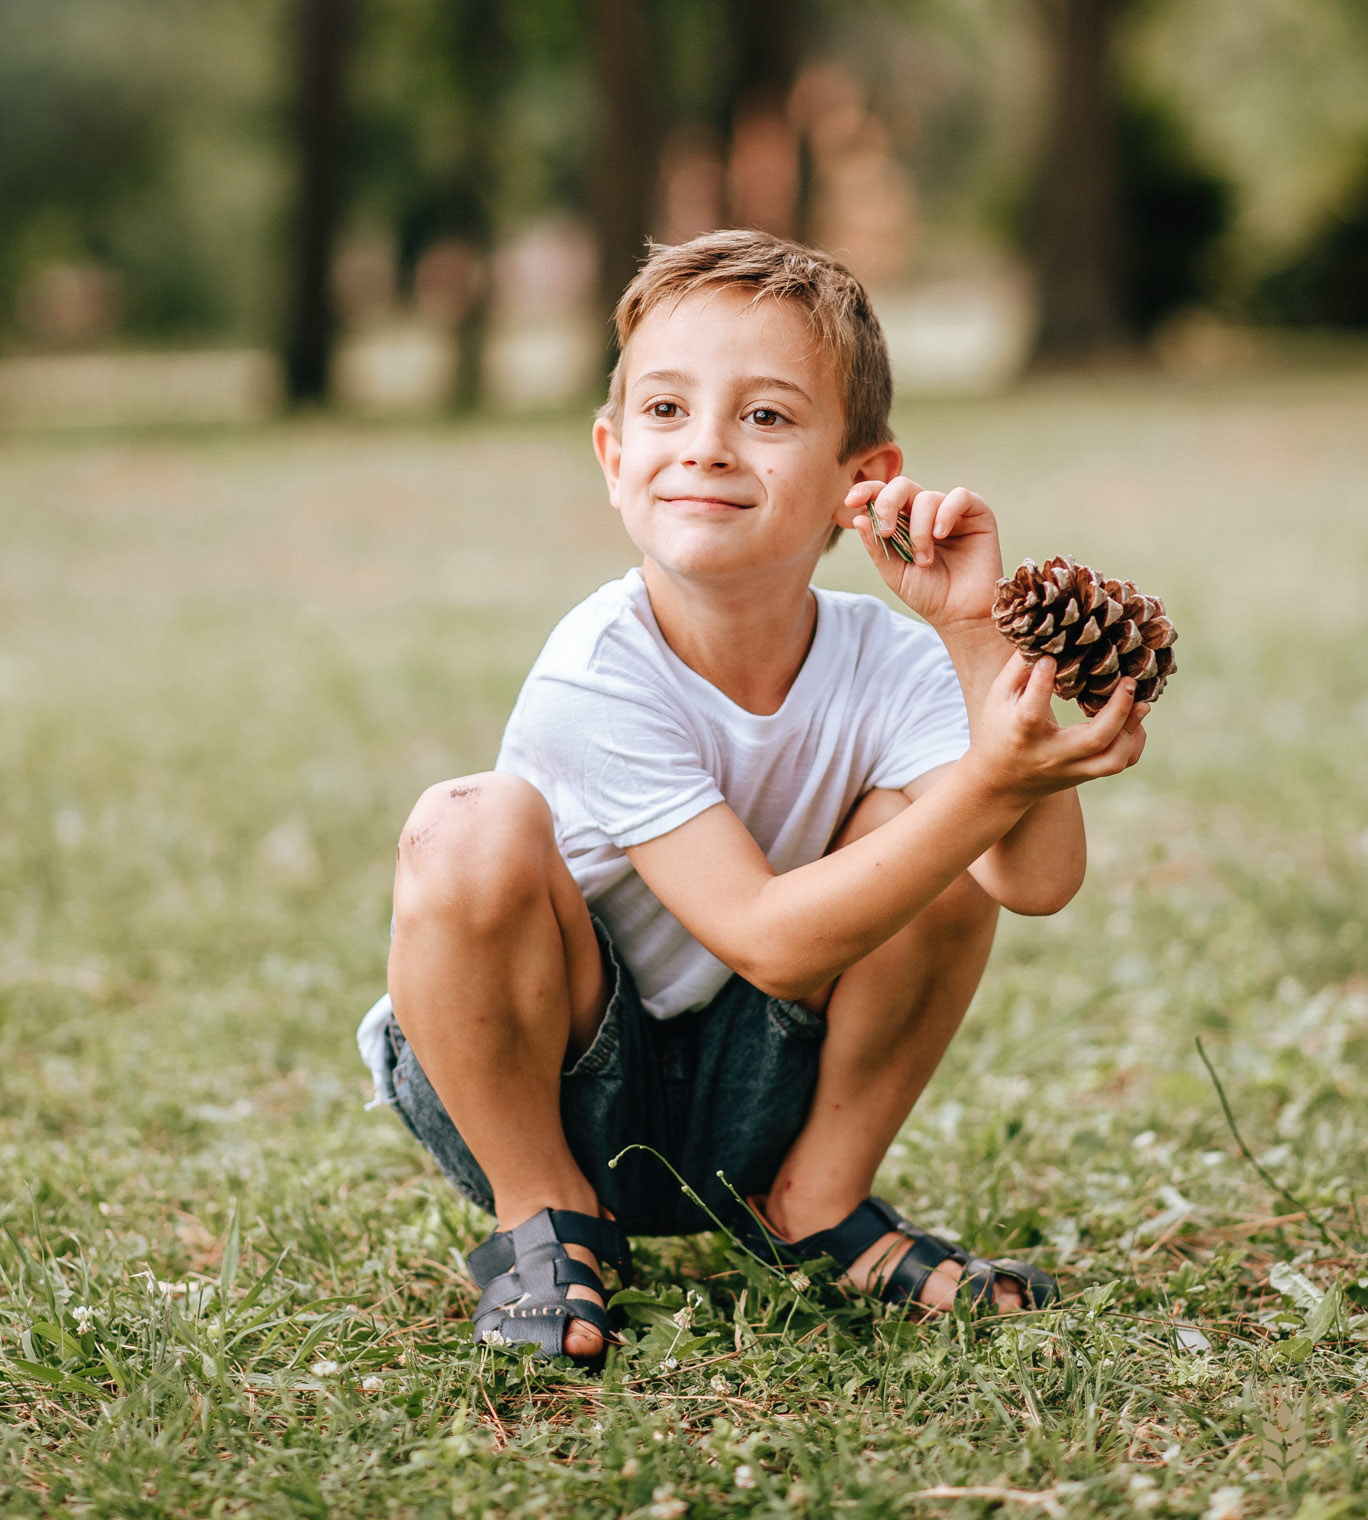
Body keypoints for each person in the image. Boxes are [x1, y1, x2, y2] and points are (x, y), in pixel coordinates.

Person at [356, 230, 1149, 1370]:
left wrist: (976, 632)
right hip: (548, 1078)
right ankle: (544, 1220)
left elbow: (1033, 878)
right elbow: (773, 940)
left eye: (767, 417)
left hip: (760, 1089)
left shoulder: (897, 657)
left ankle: (818, 1200)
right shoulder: (598, 664)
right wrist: (990, 782)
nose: (708, 449)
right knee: (466, 822)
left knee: (938, 842)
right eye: (667, 411)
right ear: (613, 451)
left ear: (861, 482)